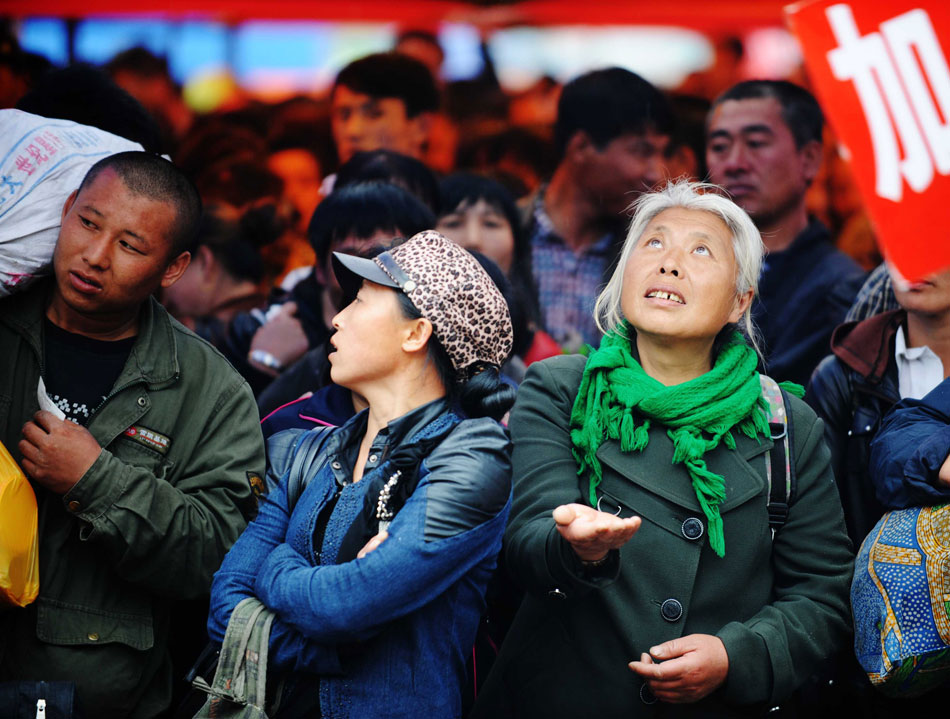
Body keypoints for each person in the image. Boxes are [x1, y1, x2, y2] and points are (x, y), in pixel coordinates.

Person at [473, 181, 852, 717]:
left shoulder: (785, 425)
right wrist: (577, 547)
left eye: (701, 250)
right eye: (652, 244)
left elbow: (822, 595)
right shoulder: (561, 388)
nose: (669, 264)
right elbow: (528, 541)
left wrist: (733, 656)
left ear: (739, 300)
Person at [208, 230, 515, 718]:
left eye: (362, 302)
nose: (337, 317)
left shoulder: (472, 458)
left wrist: (280, 563)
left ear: (416, 334)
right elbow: (226, 608)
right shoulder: (300, 450)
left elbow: (347, 605)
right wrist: (332, 648)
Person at [0, 151, 264, 718]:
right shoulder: (3, 326)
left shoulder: (209, 389)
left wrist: (97, 481)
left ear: (172, 268)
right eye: (88, 224)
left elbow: (219, 555)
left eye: (130, 246)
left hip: (90, 692)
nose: (95, 256)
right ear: (66, 211)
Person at [706, 80, 866, 386]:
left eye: (756, 143)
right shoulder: (686, 266)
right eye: (719, 147)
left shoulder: (838, 290)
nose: (735, 163)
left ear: (810, 159)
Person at [524, 67, 673, 350]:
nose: (657, 173)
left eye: (662, 152)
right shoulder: (501, 234)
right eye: (642, 151)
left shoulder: (650, 249)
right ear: (581, 147)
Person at [808, 264, 950, 548]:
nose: (916, 259)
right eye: (900, 239)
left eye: (937, 243)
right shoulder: (840, 377)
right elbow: (816, 535)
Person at [436, 172, 560, 375]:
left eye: (491, 224)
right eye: (453, 223)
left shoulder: (543, 359)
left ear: (516, 243)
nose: (473, 240)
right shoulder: (403, 333)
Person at [330, 52, 440, 167]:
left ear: (422, 126)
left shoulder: (452, 185)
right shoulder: (325, 185)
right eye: (344, 115)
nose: (353, 131)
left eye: (374, 114)